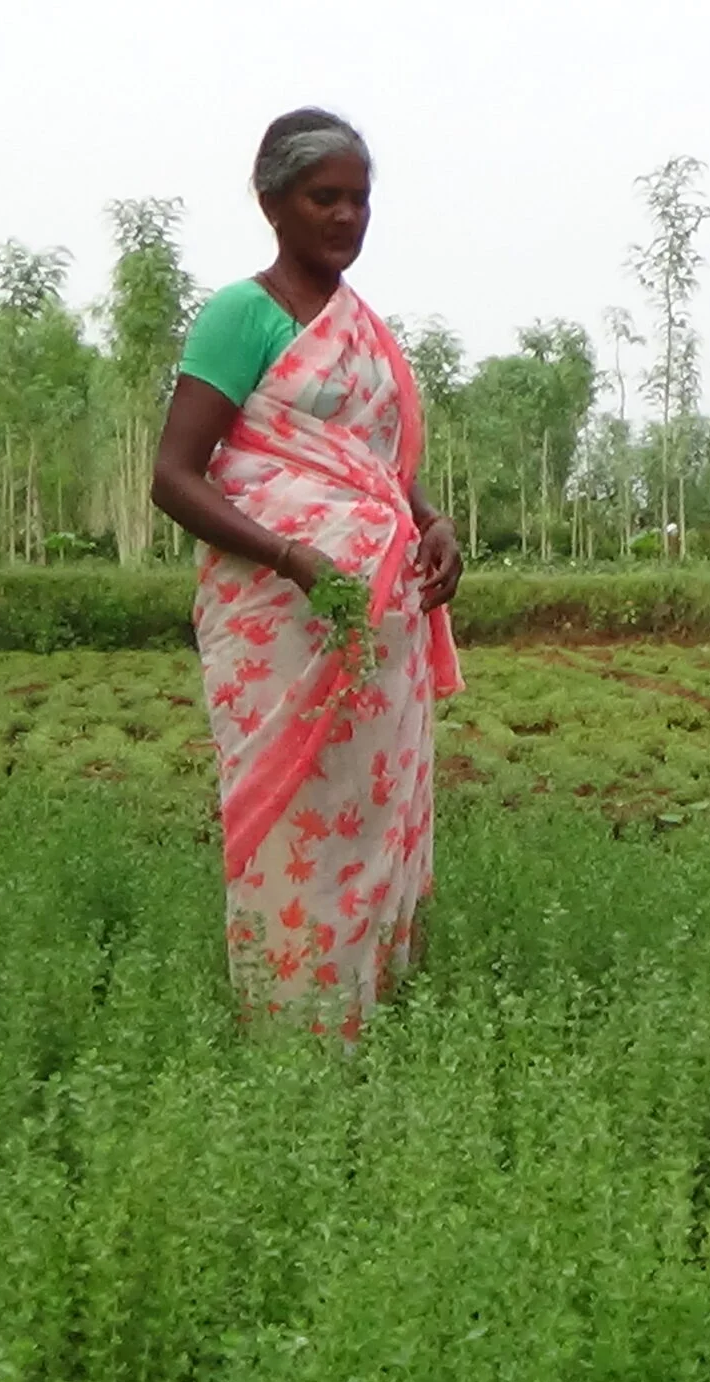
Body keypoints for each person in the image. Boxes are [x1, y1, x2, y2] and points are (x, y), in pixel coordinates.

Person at [151, 107, 464, 1042]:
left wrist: (434, 523)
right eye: (324, 197)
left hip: (380, 621)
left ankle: (375, 1009)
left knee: (371, 813)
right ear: (272, 203)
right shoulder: (240, 315)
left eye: (360, 199)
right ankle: (291, 1025)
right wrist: (291, 556)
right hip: (278, 619)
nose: (348, 216)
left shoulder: (366, 332)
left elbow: (383, 474)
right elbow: (173, 475)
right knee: (295, 814)